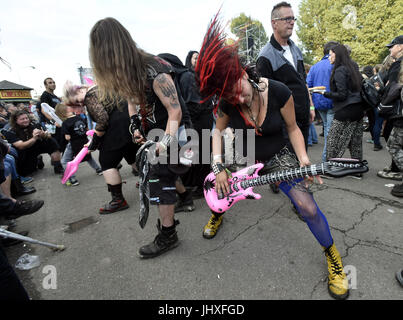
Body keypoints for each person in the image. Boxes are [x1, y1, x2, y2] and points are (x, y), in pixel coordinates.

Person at [195, 14, 349, 300]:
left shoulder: (278, 91)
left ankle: (334, 258)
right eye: (230, 96)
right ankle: (217, 214)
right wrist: (218, 167)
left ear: (243, 72)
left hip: (278, 156)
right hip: (243, 155)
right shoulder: (228, 102)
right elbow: (216, 134)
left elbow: (293, 129)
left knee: (308, 207)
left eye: (238, 90)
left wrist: (303, 158)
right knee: (220, 191)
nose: (238, 99)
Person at [89, 17, 193, 258]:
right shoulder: (127, 71)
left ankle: (168, 234)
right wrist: (135, 124)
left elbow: (175, 111)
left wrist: (164, 144)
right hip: (154, 132)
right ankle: (185, 198)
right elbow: (131, 100)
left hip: (173, 129)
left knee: (160, 180)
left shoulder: (154, 70)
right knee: (162, 178)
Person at [63, 81, 137, 213]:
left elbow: (102, 119)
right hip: (128, 127)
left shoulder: (90, 95)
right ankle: (155, 183)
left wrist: (95, 141)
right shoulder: (103, 87)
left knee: (107, 163)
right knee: (132, 158)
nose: (79, 104)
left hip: (117, 131)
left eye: (75, 101)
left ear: (79, 90)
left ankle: (118, 201)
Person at [257, 1, 315, 150]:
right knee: (289, 168)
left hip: (303, 118)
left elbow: (303, 82)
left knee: (303, 163)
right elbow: (265, 97)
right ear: (274, 23)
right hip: (284, 125)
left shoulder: (295, 49)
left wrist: (311, 107)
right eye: (287, 19)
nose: (292, 23)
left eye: (293, 19)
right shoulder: (265, 56)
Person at [319, 44, 364, 173]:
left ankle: (330, 168)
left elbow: (342, 95)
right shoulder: (353, 67)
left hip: (345, 110)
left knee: (333, 140)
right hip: (358, 109)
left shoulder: (339, 70)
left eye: (330, 54)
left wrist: (325, 93)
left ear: (337, 55)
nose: (328, 57)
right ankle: (358, 170)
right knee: (355, 142)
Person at [1, 110, 63, 176]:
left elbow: (48, 135)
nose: (25, 120)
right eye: (22, 119)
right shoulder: (9, 129)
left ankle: (57, 165)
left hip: (36, 143)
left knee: (51, 141)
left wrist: (42, 134)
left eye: (26, 118)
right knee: (27, 172)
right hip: (23, 150)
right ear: (15, 121)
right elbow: (21, 146)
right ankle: (37, 159)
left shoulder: (34, 123)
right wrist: (34, 138)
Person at [307, 41, 339, 162]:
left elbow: (308, 84)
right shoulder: (334, 64)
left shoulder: (315, 66)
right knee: (330, 131)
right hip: (332, 101)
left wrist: (311, 106)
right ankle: (326, 161)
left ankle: (328, 159)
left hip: (319, 103)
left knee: (327, 128)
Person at [56, 103, 102, 186]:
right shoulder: (80, 117)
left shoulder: (65, 123)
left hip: (74, 144)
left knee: (64, 161)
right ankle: (99, 169)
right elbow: (87, 129)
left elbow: (67, 137)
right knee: (88, 157)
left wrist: (63, 129)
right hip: (85, 142)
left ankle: (72, 178)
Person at [382, 35, 403, 197]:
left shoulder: (399, 65)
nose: (390, 49)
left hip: (400, 114)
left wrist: (383, 104)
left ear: (400, 47)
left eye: (393, 46)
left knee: (393, 145)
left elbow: (391, 89)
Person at [39, 77, 66, 153]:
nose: (53, 84)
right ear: (45, 85)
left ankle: (64, 162)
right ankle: (57, 163)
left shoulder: (55, 96)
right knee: (56, 146)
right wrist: (54, 121)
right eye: (50, 83)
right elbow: (44, 111)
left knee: (63, 144)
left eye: (53, 82)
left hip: (60, 123)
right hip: (53, 125)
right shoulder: (45, 95)